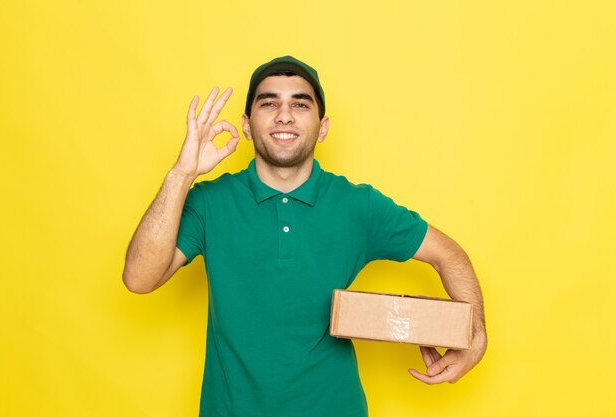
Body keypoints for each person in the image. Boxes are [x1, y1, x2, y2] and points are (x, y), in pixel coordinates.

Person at [122, 56, 487, 417]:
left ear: (323, 127)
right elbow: (139, 278)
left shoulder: (358, 206)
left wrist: (475, 335)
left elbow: (449, 255)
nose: (284, 115)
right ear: (247, 126)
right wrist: (182, 174)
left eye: (300, 104)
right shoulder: (209, 202)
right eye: (269, 104)